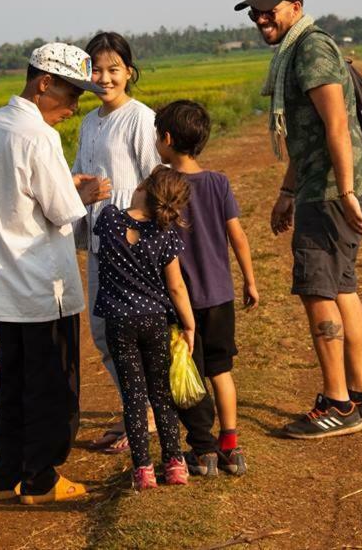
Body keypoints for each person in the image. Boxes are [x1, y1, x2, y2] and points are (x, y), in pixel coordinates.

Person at [233, 0, 362, 439]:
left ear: (295, 6)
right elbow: (308, 135)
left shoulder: (311, 49)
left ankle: (337, 403)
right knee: (342, 288)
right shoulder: (299, 48)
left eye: (269, 9)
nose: (261, 18)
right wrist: (287, 191)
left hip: (331, 192)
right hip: (323, 186)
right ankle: (358, 396)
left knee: (319, 291)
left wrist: (347, 190)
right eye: (255, 12)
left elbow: (335, 124)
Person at [0, 42, 110, 504]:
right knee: (52, 387)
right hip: (43, 283)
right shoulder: (39, 136)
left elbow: (12, 191)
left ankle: (4, 476)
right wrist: (85, 194)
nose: (74, 107)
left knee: (12, 383)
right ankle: (42, 480)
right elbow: (60, 210)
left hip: (4, 282)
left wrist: (63, 187)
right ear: (43, 83)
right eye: (70, 94)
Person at [154, 100, 260, 476]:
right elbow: (238, 237)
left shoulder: (161, 184)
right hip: (220, 296)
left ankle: (203, 448)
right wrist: (249, 279)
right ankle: (230, 442)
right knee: (221, 371)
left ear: (166, 139)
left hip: (182, 300)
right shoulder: (218, 183)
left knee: (187, 374)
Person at [72, 32, 160, 454]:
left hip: (130, 249)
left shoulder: (141, 118)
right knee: (103, 333)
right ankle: (134, 412)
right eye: (96, 70)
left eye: (113, 70)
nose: (104, 79)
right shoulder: (89, 122)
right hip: (98, 244)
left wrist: (145, 239)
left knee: (128, 335)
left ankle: (142, 421)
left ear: (129, 71)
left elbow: (157, 180)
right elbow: (76, 178)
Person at [92, 165, 196, 490]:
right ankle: (175, 463)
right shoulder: (165, 235)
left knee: (134, 398)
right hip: (155, 321)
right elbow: (177, 287)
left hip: (119, 322)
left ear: (142, 187)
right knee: (161, 395)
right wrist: (189, 325)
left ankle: (143, 471)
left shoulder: (109, 219)